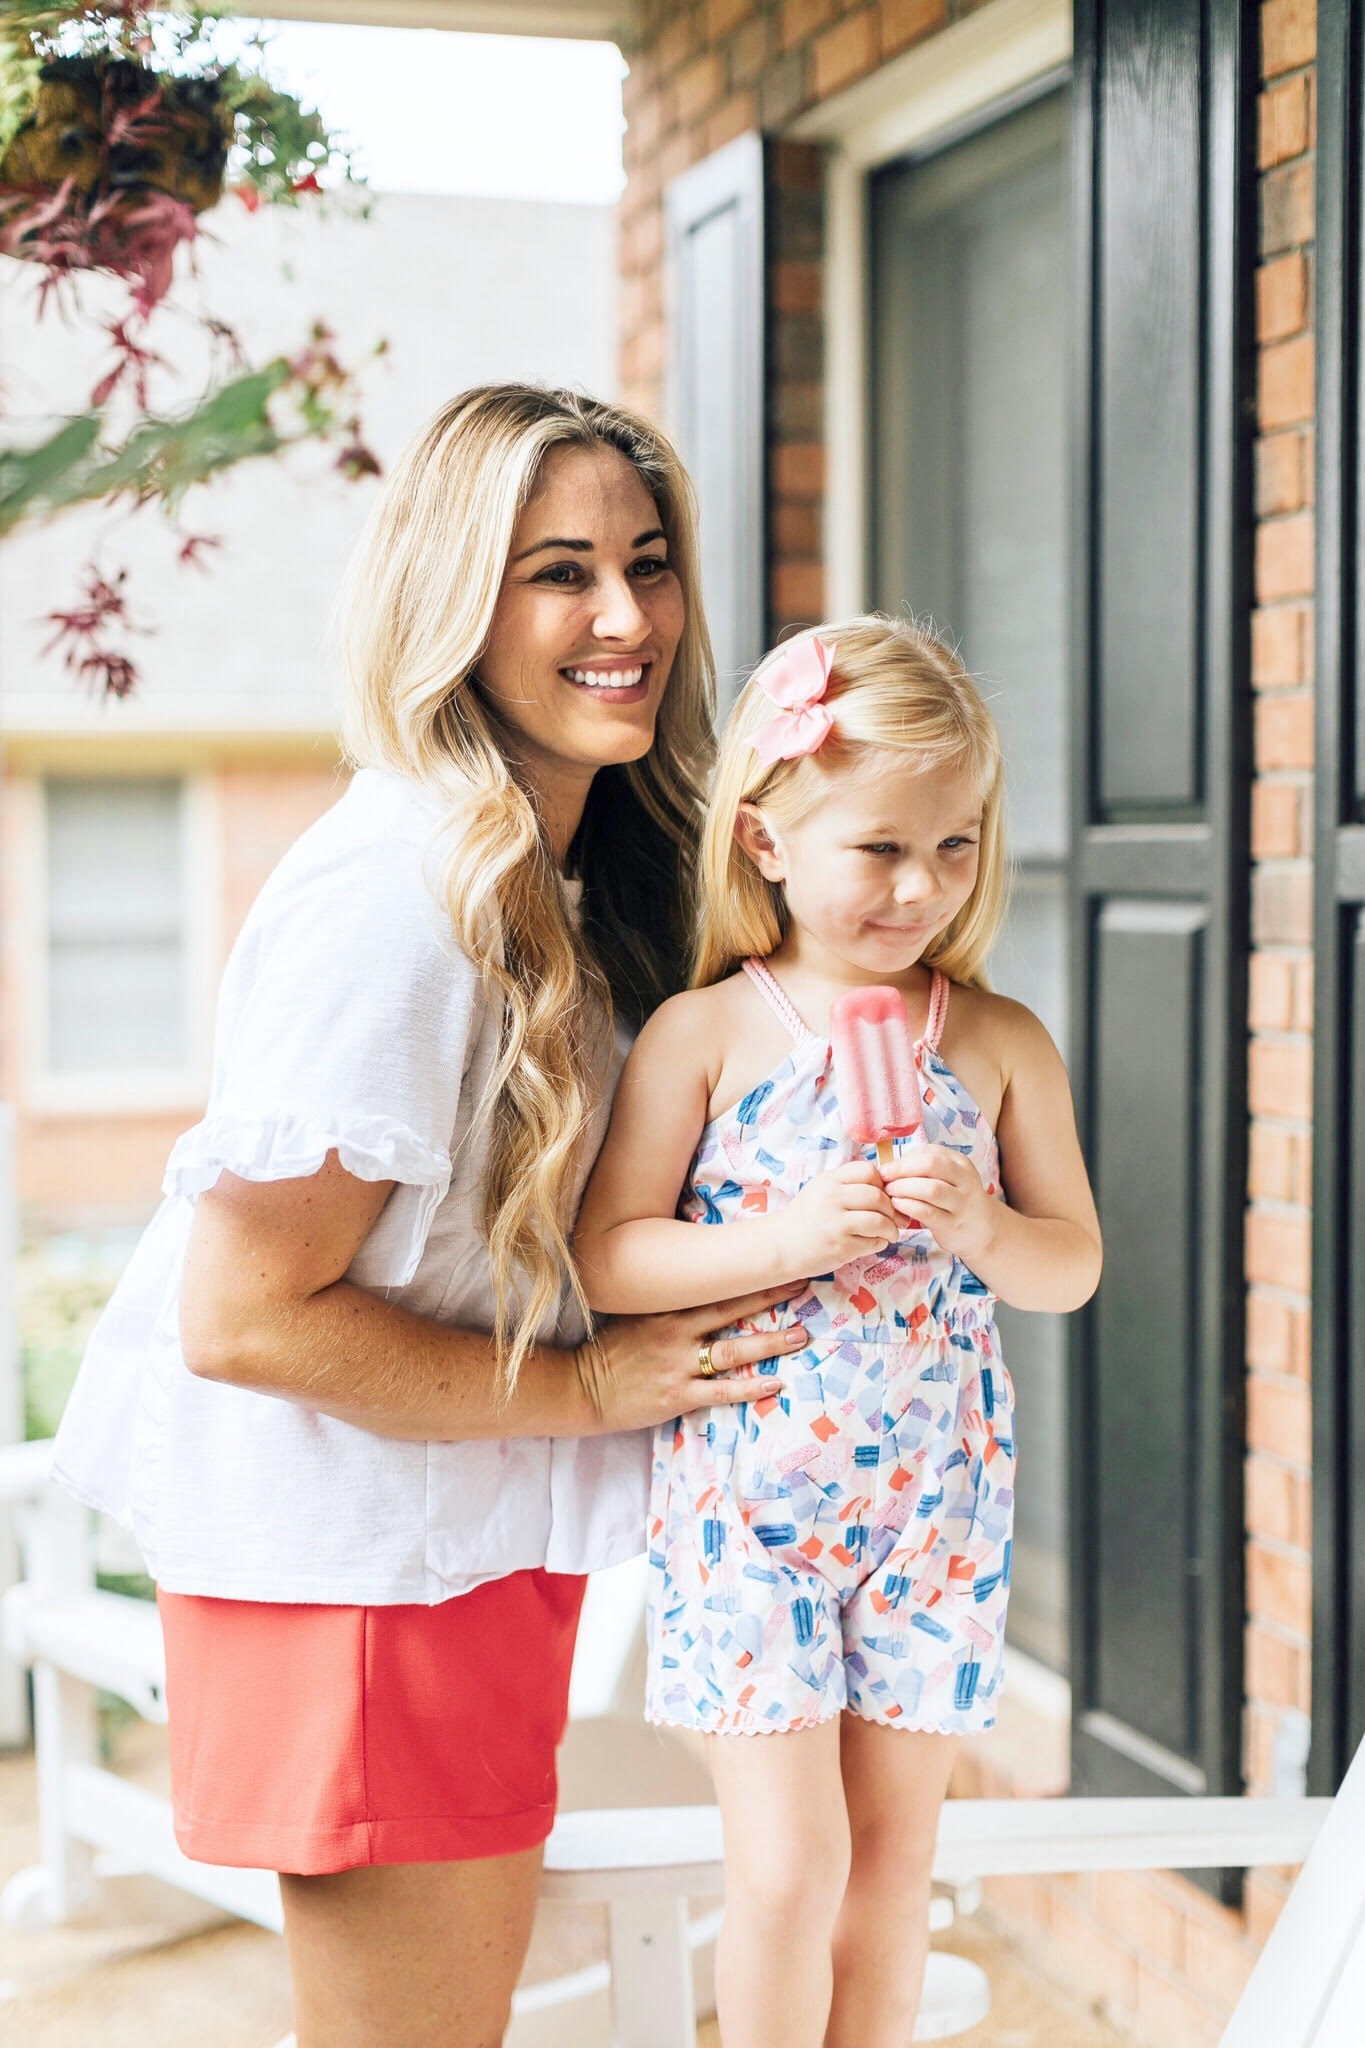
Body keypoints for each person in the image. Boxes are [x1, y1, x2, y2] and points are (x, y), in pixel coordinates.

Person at [51, 384, 809, 2048]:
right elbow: (245, 1317)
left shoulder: (577, 866)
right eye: (557, 573)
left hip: (454, 1533)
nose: (625, 620)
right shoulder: (399, 897)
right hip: (359, 1574)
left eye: (648, 562)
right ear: (454, 604)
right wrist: (597, 1389)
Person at [575, 614, 1104, 2048]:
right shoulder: (705, 1035)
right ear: (763, 840)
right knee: (791, 1865)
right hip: (749, 1507)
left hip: (934, 1504)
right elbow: (610, 1258)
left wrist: (983, 1230)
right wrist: (786, 1238)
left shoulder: (993, 1043)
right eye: (879, 847)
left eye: (954, 847)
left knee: (892, 1874)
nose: (921, 885)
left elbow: (1070, 1266)